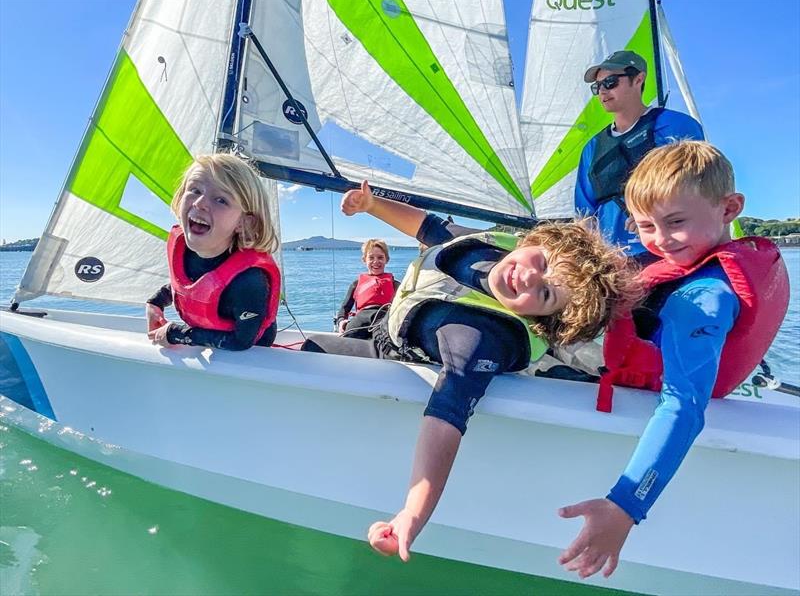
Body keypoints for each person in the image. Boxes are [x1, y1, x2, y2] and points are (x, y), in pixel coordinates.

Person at [302, 180, 639, 562]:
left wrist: (412, 513)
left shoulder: (482, 340)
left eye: (545, 294)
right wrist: (371, 205)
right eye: (542, 264)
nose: (529, 278)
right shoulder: (492, 246)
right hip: (386, 316)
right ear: (533, 242)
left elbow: (446, 419)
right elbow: (427, 227)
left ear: (542, 321)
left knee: (311, 349)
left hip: (389, 349)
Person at [558, 141, 789, 579]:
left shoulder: (700, 300)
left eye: (675, 222)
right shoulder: (713, 260)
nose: (660, 240)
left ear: (729, 208)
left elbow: (683, 405)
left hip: (630, 375)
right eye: (646, 226)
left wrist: (625, 505)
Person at [576, 50, 705, 261]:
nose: (602, 91)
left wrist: (652, 216)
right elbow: (584, 213)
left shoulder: (677, 125)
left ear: (638, 79)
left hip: (669, 253)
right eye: (596, 86)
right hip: (613, 261)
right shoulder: (592, 147)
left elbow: (700, 184)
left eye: (609, 82)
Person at [146, 153, 281, 351]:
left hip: (250, 354)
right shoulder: (186, 252)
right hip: (209, 335)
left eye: (221, 200)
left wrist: (177, 334)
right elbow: (184, 286)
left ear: (244, 222)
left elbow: (241, 342)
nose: (199, 203)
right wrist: (155, 303)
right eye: (194, 189)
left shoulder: (250, 281)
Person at [335, 239, 400, 339]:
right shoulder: (356, 284)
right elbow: (345, 308)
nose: (376, 261)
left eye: (380, 257)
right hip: (361, 318)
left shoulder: (395, 285)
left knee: (383, 339)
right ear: (364, 259)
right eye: (371, 258)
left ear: (387, 259)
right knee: (349, 336)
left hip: (383, 318)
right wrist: (341, 321)